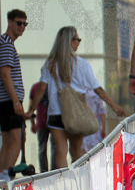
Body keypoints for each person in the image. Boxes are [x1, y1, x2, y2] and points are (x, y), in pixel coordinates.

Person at [27, 26, 127, 168]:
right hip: (74, 114)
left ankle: (63, 185)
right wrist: (114, 106)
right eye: (77, 39)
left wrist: (31, 111)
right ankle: (78, 183)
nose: (79, 42)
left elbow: (42, 88)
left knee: (61, 152)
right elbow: (97, 89)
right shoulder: (81, 64)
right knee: (76, 151)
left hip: (55, 114)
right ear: (69, 41)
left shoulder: (50, 63)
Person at [0, 9, 28, 179]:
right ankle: (5, 176)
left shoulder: (6, 43)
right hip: (8, 101)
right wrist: (16, 102)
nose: (22, 27)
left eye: (25, 24)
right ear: (9, 22)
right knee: (17, 139)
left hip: (6, 101)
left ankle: (2, 174)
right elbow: (5, 73)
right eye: (19, 23)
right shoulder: (6, 43)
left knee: (9, 140)